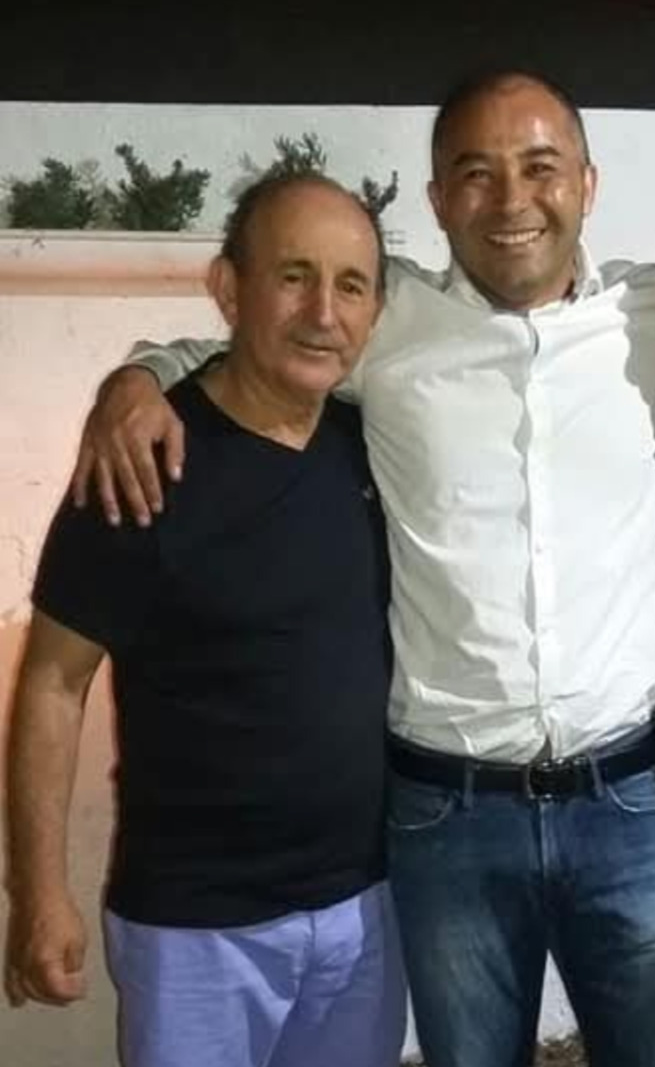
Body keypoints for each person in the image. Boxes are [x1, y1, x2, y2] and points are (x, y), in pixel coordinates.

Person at [66, 71, 655, 1067]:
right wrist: (139, 376)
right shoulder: (388, 327)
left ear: (587, 182)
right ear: (439, 198)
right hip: (446, 819)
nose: (511, 201)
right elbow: (254, 345)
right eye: (476, 174)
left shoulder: (654, 312)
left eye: (540, 168)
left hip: (629, 805)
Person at [3, 173, 407, 1067]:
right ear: (229, 288)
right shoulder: (142, 462)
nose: (323, 313)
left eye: (350, 285)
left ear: (376, 311)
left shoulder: (373, 448)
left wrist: (138, 366)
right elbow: (54, 684)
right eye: (293, 276)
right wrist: (39, 894)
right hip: (195, 930)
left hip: (364, 913)